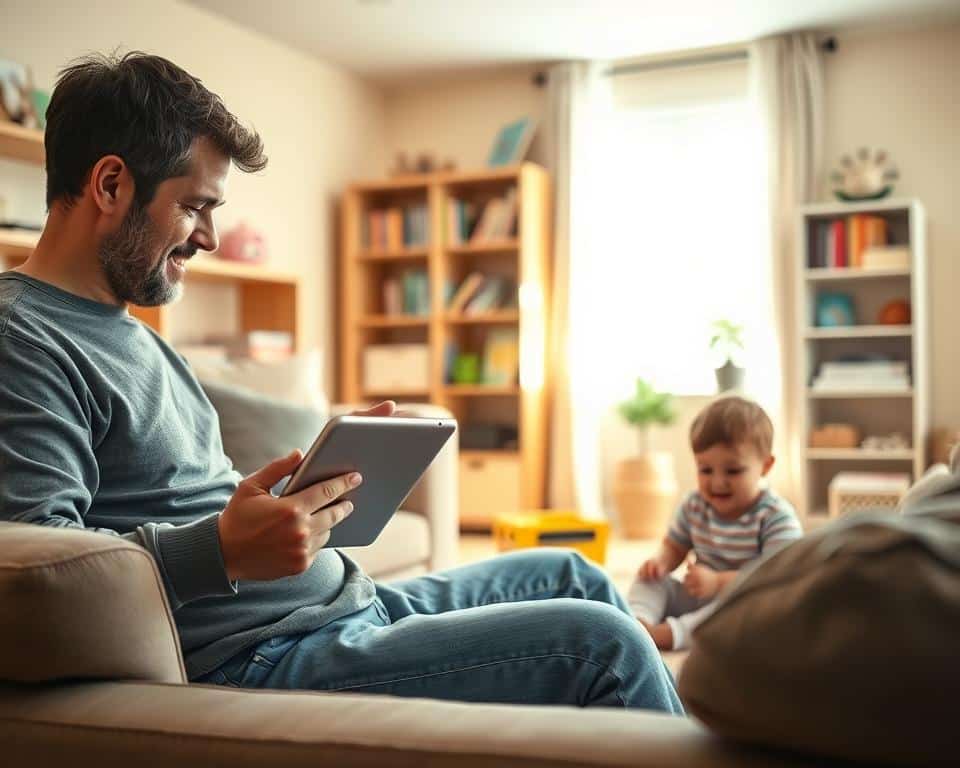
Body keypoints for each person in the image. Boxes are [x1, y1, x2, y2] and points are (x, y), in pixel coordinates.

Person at [0, 51, 682, 712]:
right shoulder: (22, 338)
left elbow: (186, 499)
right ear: (111, 185)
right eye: (195, 206)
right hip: (262, 655)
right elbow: (41, 577)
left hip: (342, 603)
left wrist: (304, 502)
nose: (209, 236)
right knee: (603, 647)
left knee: (575, 575)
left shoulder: (138, 334)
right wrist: (224, 550)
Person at [629, 396, 802, 651]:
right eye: (705, 470)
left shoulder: (776, 516)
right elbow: (674, 546)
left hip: (744, 601)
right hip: (699, 591)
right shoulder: (694, 505)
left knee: (739, 611)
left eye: (733, 471)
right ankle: (636, 623)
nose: (717, 482)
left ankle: (667, 635)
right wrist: (661, 563)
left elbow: (775, 578)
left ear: (765, 466)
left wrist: (718, 582)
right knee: (650, 579)